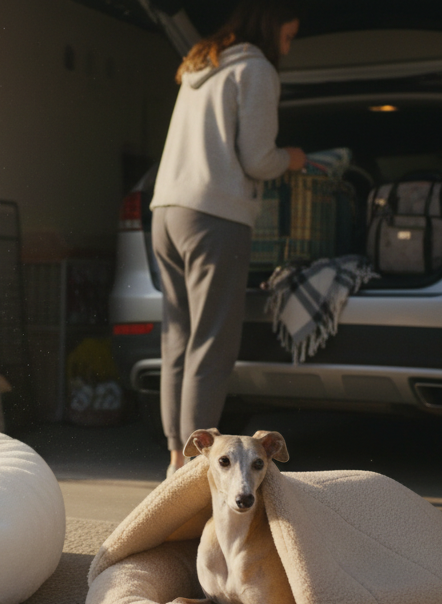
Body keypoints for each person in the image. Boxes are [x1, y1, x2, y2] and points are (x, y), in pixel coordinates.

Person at [149, 0, 305, 476]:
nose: (288, 48)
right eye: (288, 38)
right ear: (271, 26)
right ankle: (196, 468)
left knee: (178, 339)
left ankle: (177, 461)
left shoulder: (203, 65)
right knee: (212, 343)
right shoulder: (256, 70)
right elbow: (258, 159)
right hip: (214, 215)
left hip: (165, 212)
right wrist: (293, 159)